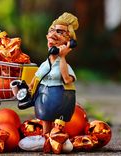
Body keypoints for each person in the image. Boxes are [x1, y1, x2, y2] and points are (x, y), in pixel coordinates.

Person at [19, 12, 79, 152]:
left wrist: (63, 56)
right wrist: (25, 89)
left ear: (68, 41)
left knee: (59, 119)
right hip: (43, 96)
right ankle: (45, 137)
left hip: (59, 96)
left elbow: (66, 78)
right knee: (45, 118)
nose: (53, 34)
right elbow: (35, 79)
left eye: (59, 32)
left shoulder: (63, 64)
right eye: (51, 31)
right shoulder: (45, 64)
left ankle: (58, 137)